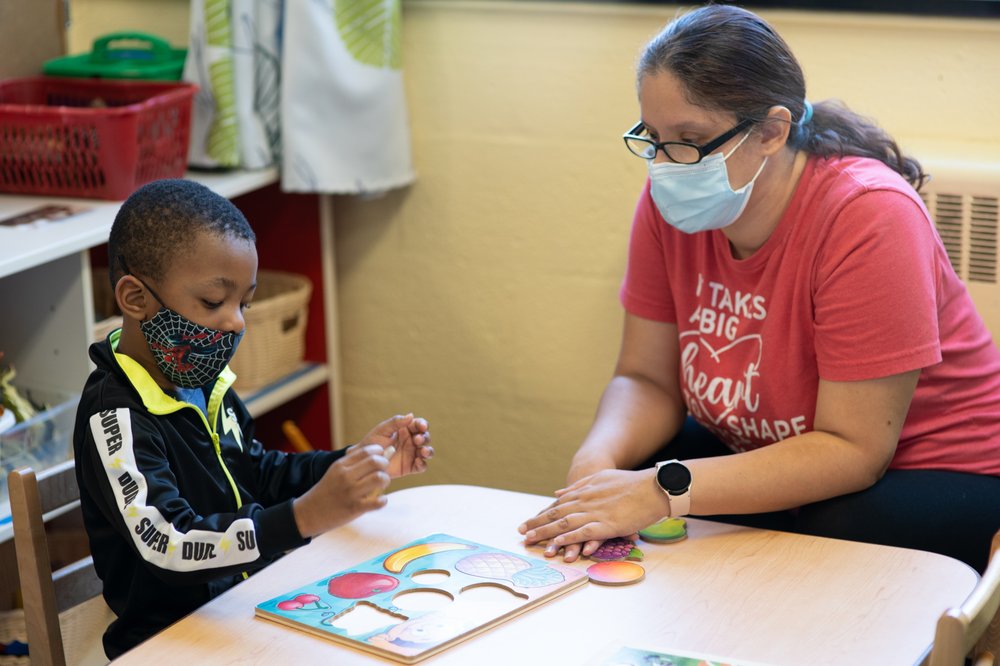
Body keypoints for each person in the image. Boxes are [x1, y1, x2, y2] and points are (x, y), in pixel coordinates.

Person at [519, 4, 1000, 573]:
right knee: (648, 466)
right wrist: (596, 463)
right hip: (775, 445)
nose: (665, 164)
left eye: (689, 139)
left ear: (771, 131)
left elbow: (854, 451)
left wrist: (657, 490)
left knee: (827, 533)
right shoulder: (666, 203)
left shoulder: (870, 215)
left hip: (936, 466)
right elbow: (645, 378)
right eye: (652, 137)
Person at [73, 178, 434, 658]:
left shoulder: (200, 379)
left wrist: (357, 463)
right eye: (212, 302)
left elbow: (257, 472)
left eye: (243, 302)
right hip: (171, 644)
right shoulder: (115, 415)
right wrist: (301, 518)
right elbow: (169, 542)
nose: (237, 321)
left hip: (246, 611)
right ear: (135, 298)